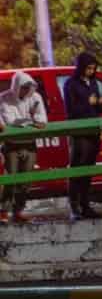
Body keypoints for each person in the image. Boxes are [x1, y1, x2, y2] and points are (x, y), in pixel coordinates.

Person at [64, 52, 102, 220]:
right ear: (81, 67)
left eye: (93, 68)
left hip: (93, 130)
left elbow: (97, 107)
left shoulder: (93, 83)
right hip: (79, 132)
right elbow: (70, 110)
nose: (91, 71)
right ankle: (74, 206)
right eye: (88, 68)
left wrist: (101, 104)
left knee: (89, 169)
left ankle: (85, 204)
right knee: (77, 168)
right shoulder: (71, 84)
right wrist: (88, 103)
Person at [0, 71, 47, 223]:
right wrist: (31, 121)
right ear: (16, 86)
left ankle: (18, 211)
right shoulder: (4, 98)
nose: (27, 90)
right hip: (11, 144)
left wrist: (30, 120)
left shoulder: (35, 98)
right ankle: (3, 211)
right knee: (11, 178)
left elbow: (42, 120)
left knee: (26, 180)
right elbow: (9, 121)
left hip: (29, 143)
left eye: (29, 87)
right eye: (24, 87)